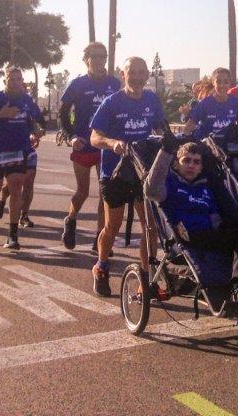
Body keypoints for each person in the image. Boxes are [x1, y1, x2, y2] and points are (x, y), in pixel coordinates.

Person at [145, 139, 238, 304]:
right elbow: (151, 190)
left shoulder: (204, 187)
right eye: (187, 161)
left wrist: (234, 227)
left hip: (210, 233)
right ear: (176, 164)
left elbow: (215, 216)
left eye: (196, 162)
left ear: (201, 167)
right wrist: (165, 152)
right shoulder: (169, 183)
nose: (191, 165)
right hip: (188, 236)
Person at [88, 56, 165, 296]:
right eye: (133, 72)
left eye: (142, 72)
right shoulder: (112, 102)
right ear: (124, 74)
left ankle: (147, 278)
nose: (138, 77)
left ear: (147, 76)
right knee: (113, 226)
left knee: (150, 227)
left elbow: (161, 130)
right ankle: (101, 266)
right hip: (115, 172)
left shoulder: (152, 100)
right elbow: (94, 137)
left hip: (143, 170)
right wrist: (112, 143)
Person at [0, 66, 45, 250]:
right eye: (11, 79)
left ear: (22, 81)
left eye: (19, 79)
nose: (15, 82)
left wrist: (38, 130)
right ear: (5, 81)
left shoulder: (27, 100)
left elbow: (39, 119)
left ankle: (12, 235)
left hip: (18, 149)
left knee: (16, 188)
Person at [58, 42, 121, 251]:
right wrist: (71, 136)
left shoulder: (114, 83)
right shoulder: (77, 84)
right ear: (86, 59)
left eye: (102, 56)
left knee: (106, 195)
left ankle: (100, 239)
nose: (98, 60)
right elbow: (63, 114)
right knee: (82, 192)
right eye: (94, 56)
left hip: (105, 145)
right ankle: (70, 219)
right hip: (83, 144)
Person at [184, 68, 238, 140]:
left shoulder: (236, 102)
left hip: (227, 146)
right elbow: (187, 129)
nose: (222, 85)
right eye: (218, 82)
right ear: (213, 83)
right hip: (206, 146)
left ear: (230, 83)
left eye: (226, 82)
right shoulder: (204, 104)